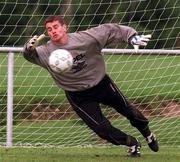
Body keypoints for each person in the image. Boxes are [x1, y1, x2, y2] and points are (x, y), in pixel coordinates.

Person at [23, 15, 159, 157]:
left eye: (56, 27)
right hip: (77, 94)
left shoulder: (85, 38)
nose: (53, 31)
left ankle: (148, 134)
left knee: (129, 112)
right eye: (49, 29)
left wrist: (131, 36)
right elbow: (30, 55)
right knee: (102, 130)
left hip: (101, 84)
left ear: (65, 27)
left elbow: (110, 30)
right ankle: (132, 142)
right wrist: (28, 49)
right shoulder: (45, 52)